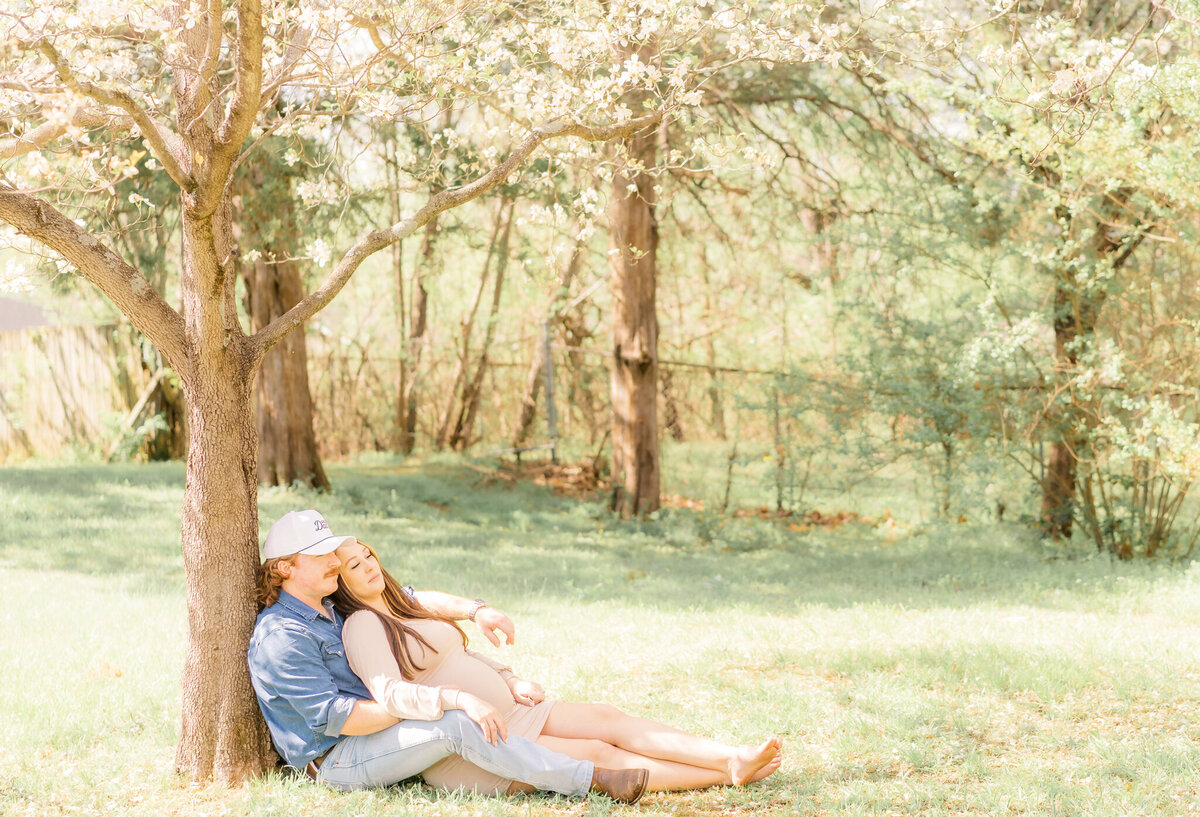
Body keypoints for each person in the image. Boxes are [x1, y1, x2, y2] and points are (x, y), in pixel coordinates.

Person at [247, 509, 649, 803]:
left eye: (333, 552)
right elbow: (341, 719)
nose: (335, 561)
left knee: (450, 716)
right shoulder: (282, 636)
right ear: (285, 567)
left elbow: (410, 600)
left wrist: (475, 611)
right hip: (337, 759)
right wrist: (428, 701)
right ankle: (588, 779)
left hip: (378, 731)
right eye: (321, 556)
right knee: (452, 724)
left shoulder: (330, 604)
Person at [332, 537, 784, 794]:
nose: (369, 565)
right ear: (340, 581)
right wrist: (462, 699)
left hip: (510, 710)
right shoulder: (362, 625)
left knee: (607, 718)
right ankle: (727, 772)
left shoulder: (404, 606)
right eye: (354, 564)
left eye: (368, 554)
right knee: (600, 754)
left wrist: (508, 679)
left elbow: (459, 656)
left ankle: (728, 756)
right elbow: (389, 693)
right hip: (476, 745)